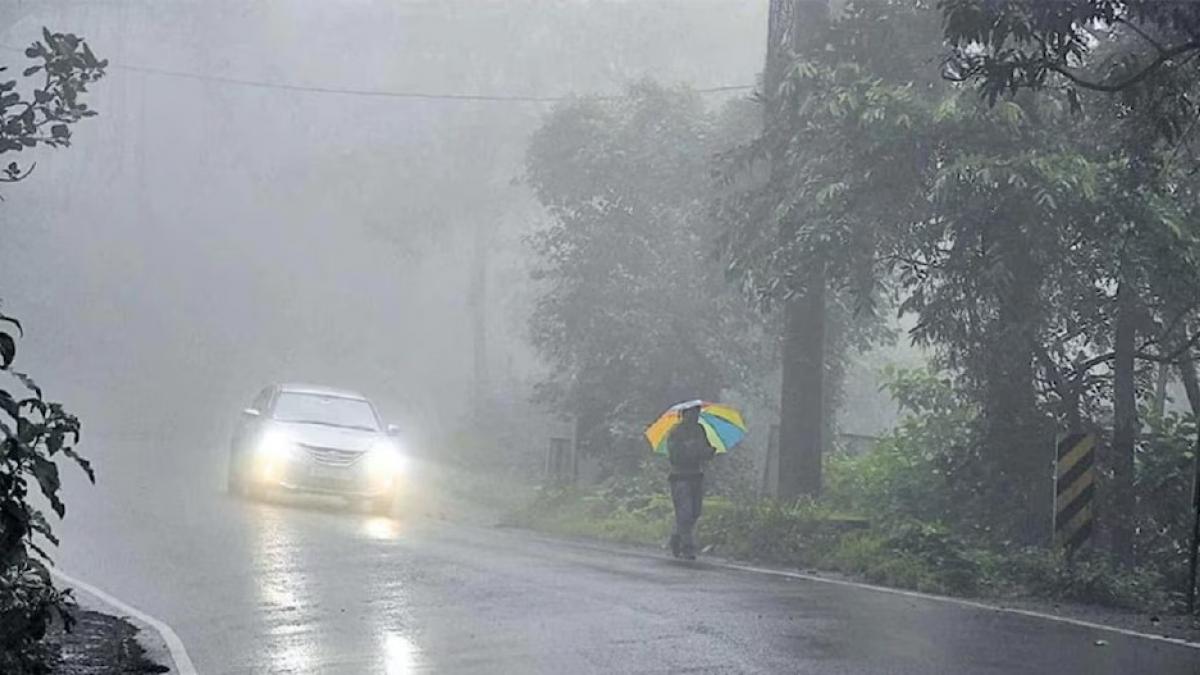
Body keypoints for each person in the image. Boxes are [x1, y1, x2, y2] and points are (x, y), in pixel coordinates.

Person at [666, 405, 716, 560]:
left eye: (697, 413)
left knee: (695, 512)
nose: (695, 416)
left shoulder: (700, 430)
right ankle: (687, 547)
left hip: (696, 475)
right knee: (685, 513)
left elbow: (705, 449)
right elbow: (674, 456)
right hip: (680, 476)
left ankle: (676, 536)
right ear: (684, 414)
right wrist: (691, 450)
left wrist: (709, 452)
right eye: (692, 413)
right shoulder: (675, 432)